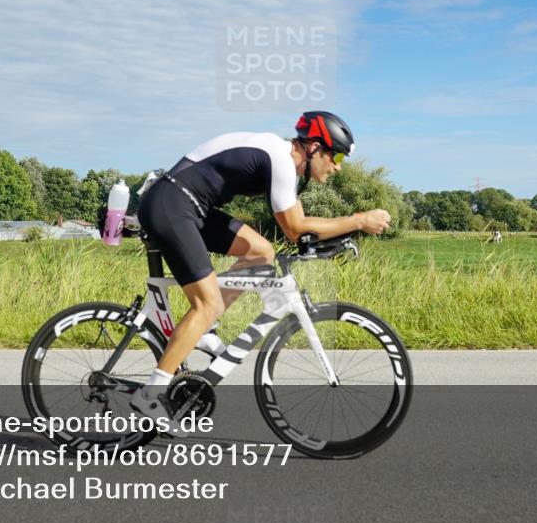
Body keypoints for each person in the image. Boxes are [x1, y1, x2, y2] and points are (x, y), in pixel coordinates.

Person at [130, 111, 391, 430]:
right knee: (207, 303)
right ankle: (150, 394)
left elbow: (302, 230)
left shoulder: (284, 162)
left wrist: (337, 237)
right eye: (335, 155)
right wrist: (359, 220)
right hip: (172, 204)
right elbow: (295, 228)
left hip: (190, 205)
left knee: (261, 252)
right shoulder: (280, 159)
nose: (337, 166)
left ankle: (204, 329)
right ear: (312, 148)